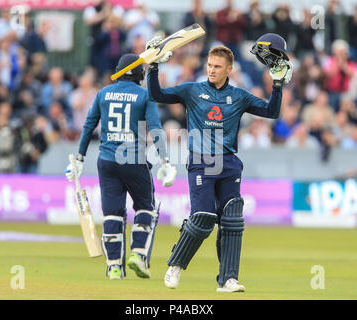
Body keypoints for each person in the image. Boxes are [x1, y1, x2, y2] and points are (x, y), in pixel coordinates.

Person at [146, 33, 292, 292]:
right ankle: (176, 265)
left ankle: (228, 279)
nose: (212, 70)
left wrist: (277, 85)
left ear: (229, 70)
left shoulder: (239, 96)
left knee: (233, 220)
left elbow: (271, 112)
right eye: (210, 66)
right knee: (203, 217)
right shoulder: (192, 90)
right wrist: (154, 66)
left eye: (217, 67)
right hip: (202, 162)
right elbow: (156, 94)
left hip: (229, 163)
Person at [65, 53, 177, 280]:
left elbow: (88, 126)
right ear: (139, 73)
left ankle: (114, 266)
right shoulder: (145, 95)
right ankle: (137, 254)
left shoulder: (103, 93)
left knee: (112, 213)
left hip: (106, 161)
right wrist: (164, 160)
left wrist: (79, 158)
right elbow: (155, 128)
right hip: (133, 159)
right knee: (145, 207)